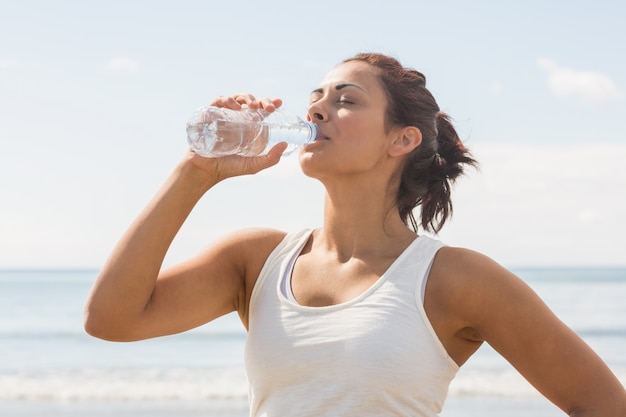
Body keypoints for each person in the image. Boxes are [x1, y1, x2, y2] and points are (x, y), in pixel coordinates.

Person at [84, 52, 626, 416]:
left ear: (402, 139)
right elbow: (110, 320)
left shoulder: (456, 279)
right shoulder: (255, 260)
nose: (317, 108)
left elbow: (604, 406)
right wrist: (195, 172)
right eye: (316, 96)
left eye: (346, 100)